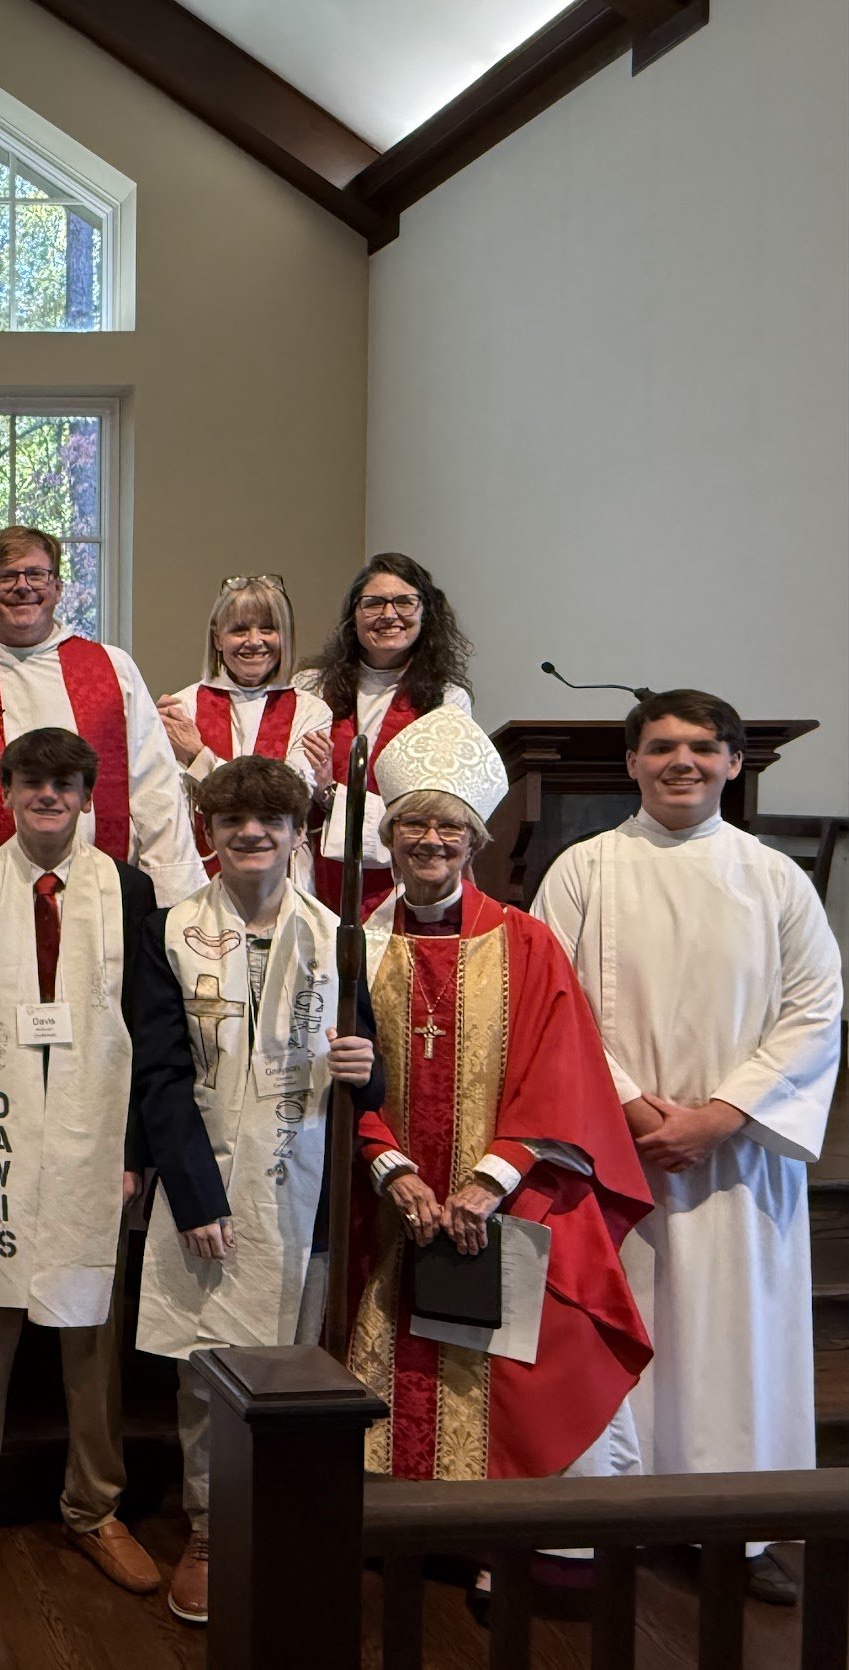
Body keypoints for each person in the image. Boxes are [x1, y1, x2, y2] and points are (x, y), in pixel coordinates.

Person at [532, 690, 842, 1604]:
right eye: (661, 746)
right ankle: (603, 1520)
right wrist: (629, 1107)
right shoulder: (582, 870)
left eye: (704, 748)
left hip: (735, 1161)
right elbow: (554, 1003)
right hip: (614, 1154)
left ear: (735, 764)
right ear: (630, 763)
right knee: (620, 1327)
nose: (683, 762)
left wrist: (725, 1113)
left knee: (732, 1340)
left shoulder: (775, 878)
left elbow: (816, 1010)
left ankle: (733, 1531)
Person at [0, 727, 228, 1596]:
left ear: (88, 795)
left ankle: (95, 1504)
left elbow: (147, 1029)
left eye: (64, 783)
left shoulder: (127, 891)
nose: (47, 796)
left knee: (91, 1334)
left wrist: (133, 1153)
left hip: (93, 1142)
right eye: (31, 783)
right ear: (9, 791)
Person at [345, 706, 651, 1494]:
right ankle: (385, 1517)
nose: (431, 843)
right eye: (414, 825)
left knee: (504, 1367)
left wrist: (488, 1182)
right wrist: (390, 1167)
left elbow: (563, 1074)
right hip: (380, 1201)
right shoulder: (355, 944)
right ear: (390, 837)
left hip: (499, 1203)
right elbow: (337, 1069)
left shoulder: (526, 942)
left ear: (475, 843)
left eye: (451, 830)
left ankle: (491, 1526)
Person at [133, 757, 379, 1625]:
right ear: (209, 832)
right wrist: (198, 1199)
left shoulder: (338, 935)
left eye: (270, 821)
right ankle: (206, 1528)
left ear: (296, 834)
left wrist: (366, 1068)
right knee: (208, 1369)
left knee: (294, 1363)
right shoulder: (170, 930)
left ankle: (280, 1519)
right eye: (233, 820)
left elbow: (370, 1077)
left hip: (304, 1191)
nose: (251, 834)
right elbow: (158, 1077)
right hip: (207, 1186)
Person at [0, 526, 204, 903]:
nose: (23, 586)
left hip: (104, 894)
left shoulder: (111, 669)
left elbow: (156, 786)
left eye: (36, 574)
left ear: (57, 588)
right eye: (6, 576)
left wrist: (168, 900)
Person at [294, 553, 473, 919]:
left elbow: (433, 804)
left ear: (426, 611)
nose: (388, 615)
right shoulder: (311, 687)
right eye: (373, 603)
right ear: (353, 616)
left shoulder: (446, 700)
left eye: (405, 601)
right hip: (313, 874)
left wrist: (331, 794)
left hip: (406, 879)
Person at [155, 577, 331, 885]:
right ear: (217, 638)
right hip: (199, 870)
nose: (254, 640)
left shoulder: (311, 711)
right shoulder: (182, 706)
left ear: (285, 637)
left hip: (283, 875)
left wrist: (199, 756)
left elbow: (287, 798)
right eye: (239, 629)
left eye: (267, 628)